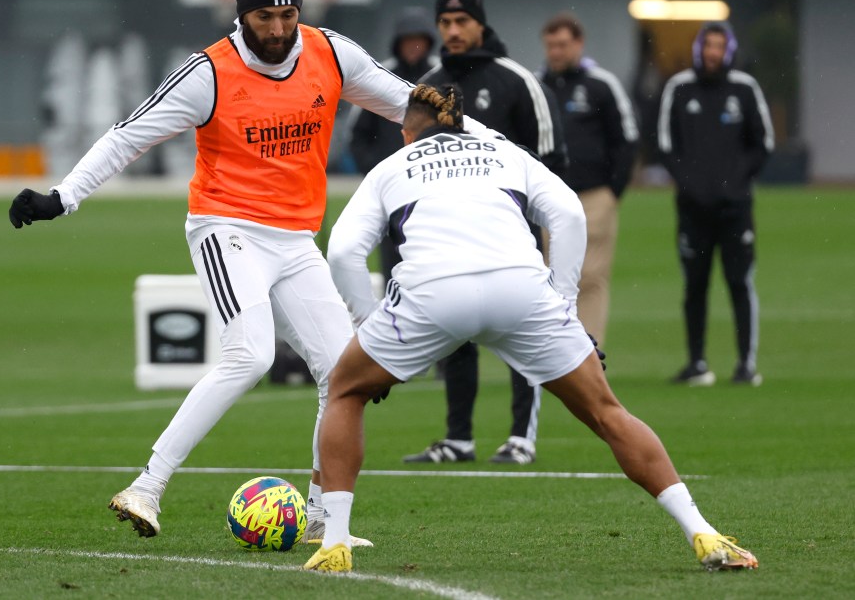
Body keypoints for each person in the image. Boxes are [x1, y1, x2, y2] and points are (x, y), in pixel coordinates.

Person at [8, 0, 424, 546]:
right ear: (240, 14)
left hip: (295, 236)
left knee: (344, 373)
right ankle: (146, 487)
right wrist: (62, 196)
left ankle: (321, 521)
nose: (279, 29)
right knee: (250, 355)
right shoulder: (209, 73)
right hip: (225, 227)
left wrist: (496, 153)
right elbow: (128, 137)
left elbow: (414, 109)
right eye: (265, 18)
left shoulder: (332, 53)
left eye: (287, 15)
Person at [304, 83, 759, 574]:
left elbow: (344, 251)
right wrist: (564, 307)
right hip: (521, 290)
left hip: (432, 295)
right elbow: (567, 215)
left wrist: (369, 327)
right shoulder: (504, 150)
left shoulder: (390, 168)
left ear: (405, 133)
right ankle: (702, 531)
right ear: (461, 123)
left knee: (345, 391)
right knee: (607, 412)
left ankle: (333, 544)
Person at [403, 0, 566, 466]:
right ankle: (459, 437)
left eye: (462, 21)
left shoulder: (516, 80)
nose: (453, 30)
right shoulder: (428, 87)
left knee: (521, 333)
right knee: (453, 334)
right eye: (445, 22)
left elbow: (552, 161)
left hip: (512, 236)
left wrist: (538, 229)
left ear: (480, 23)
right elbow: (411, 159)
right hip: (448, 235)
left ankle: (522, 435)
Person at [658, 21, 774, 386]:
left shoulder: (744, 88)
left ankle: (746, 365)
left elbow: (763, 143)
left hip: (735, 209)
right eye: (707, 45)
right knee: (695, 285)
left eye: (719, 46)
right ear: (698, 49)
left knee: (740, 283)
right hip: (693, 209)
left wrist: (736, 183)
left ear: (729, 50)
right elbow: (665, 143)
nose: (712, 53)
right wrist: (690, 183)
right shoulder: (679, 87)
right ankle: (697, 364)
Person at [538, 12, 639, 347]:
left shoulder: (600, 85)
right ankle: (558, 349)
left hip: (594, 195)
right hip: (549, 198)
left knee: (591, 276)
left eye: (563, 45)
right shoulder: (536, 87)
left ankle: (589, 350)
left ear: (578, 44)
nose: (556, 52)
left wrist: (614, 191)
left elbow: (626, 137)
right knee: (550, 274)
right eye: (551, 45)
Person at [349, 6, 439, 287]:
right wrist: (378, 170)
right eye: (406, 40)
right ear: (397, 43)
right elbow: (358, 135)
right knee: (394, 255)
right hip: (392, 191)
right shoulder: (380, 77)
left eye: (418, 39)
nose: (413, 46)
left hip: (433, 186)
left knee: (435, 253)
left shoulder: (440, 77)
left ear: (427, 42)